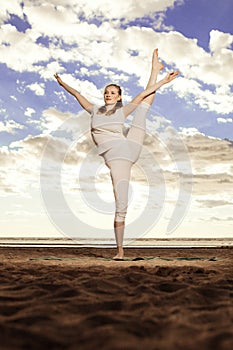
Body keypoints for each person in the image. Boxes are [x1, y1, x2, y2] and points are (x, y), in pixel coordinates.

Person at [54, 49, 178, 259]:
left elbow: (141, 95)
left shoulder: (122, 111)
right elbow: (77, 94)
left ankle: (154, 69)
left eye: (113, 92)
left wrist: (163, 81)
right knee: (121, 203)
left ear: (119, 97)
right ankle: (120, 251)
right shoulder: (94, 110)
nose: (108, 94)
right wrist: (62, 83)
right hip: (117, 159)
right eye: (106, 91)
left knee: (141, 110)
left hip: (129, 148)